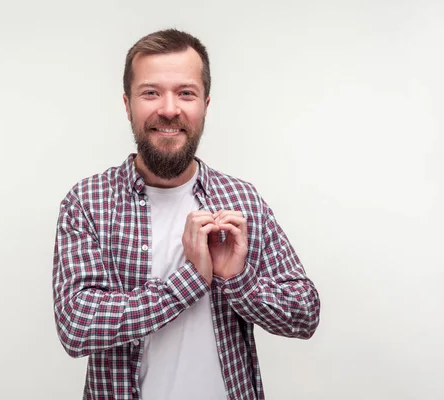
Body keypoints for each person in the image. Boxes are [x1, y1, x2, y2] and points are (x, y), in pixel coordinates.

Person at [52, 28, 321, 400]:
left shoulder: (242, 200)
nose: (168, 108)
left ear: (205, 105)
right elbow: (76, 326)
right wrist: (191, 281)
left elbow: (304, 315)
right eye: (151, 92)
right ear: (127, 104)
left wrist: (238, 280)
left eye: (185, 93)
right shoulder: (88, 201)